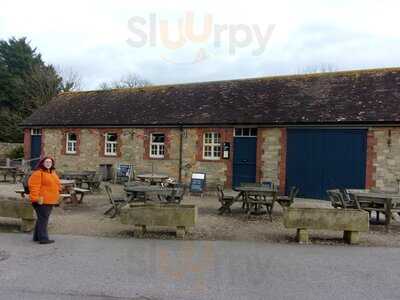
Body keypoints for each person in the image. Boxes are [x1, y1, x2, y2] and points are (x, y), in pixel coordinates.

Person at [28, 157, 61, 244]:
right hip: (41, 200)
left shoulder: (53, 173)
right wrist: (36, 199)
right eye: (46, 162)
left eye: (50, 162)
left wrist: (59, 190)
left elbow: (56, 184)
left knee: (41, 218)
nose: (48, 163)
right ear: (42, 163)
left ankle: (36, 237)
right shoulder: (38, 173)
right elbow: (34, 187)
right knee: (44, 219)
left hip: (50, 200)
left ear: (52, 163)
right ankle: (43, 238)